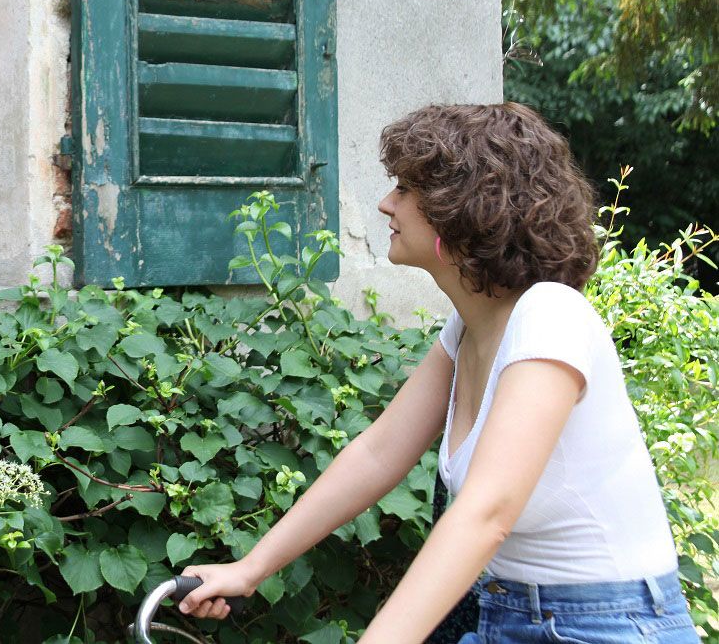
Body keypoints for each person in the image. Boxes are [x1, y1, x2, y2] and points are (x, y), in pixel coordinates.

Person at [180, 103, 697, 644]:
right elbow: (378, 454)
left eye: (405, 189)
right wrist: (251, 568)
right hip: (511, 613)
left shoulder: (550, 315)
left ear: (466, 207)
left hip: (607, 625)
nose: (386, 203)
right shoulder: (469, 326)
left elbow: (486, 512)